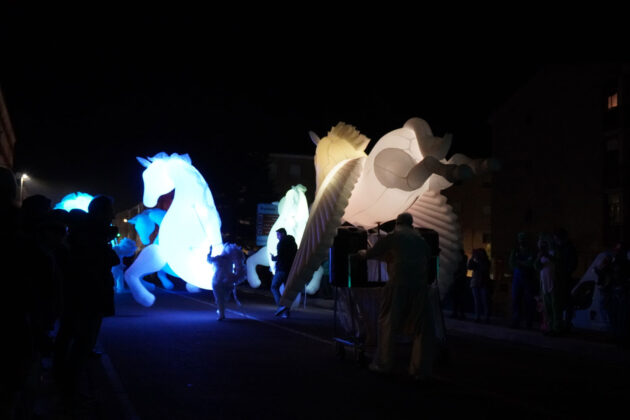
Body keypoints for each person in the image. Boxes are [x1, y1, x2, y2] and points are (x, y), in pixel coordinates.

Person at [355, 212, 437, 382]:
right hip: (420, 288)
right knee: (421, 329)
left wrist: (361, 253)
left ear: (397, 223)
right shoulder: (421, 241)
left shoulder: (394, 238)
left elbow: (372, 253)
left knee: (388, 325)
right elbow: (428, 257)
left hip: (397, 286)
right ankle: (419, 369)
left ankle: (384, 364)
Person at [509, 232, 536, 329]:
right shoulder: (515, 250)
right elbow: (511, 264)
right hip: (517, 278)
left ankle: (529, 322)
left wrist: (520, 263)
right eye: (520, 239)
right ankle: (516, 321)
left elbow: (531, 264)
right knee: (516, 299)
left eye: (523, 239)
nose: (521, 241)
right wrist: (523, 263)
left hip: (528, 278)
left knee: (528, 301)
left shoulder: (531, 251)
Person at [271, 228, 297, 318]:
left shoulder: (281, 243)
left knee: (274, 286)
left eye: (278, 234)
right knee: (286, 291)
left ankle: (281, 306)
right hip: (291, 270)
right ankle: (286, 312)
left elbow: (281, 256)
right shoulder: (293, 243)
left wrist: (273, 258)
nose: (277, 237)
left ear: (282, 234)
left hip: (281, 269)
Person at [468, 248, 491, 323]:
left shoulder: (486, 262)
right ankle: (478, 317)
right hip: (476, 283)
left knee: (484, 301)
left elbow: (484, 269)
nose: (479, 255)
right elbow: (469, 267)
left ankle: (486, 317)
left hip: (483, 283)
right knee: (477, 301)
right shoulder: (476, 261)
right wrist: (472, 257)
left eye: (481, 253)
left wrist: (477, 260)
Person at [450, 249, 468, 319]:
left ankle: (458, 313)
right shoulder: (460, 261)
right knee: (457, 299)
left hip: (459, 282)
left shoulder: (460, 262)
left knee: (458, 299)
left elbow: (465, 271)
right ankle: (458, 313)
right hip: (459, 282)